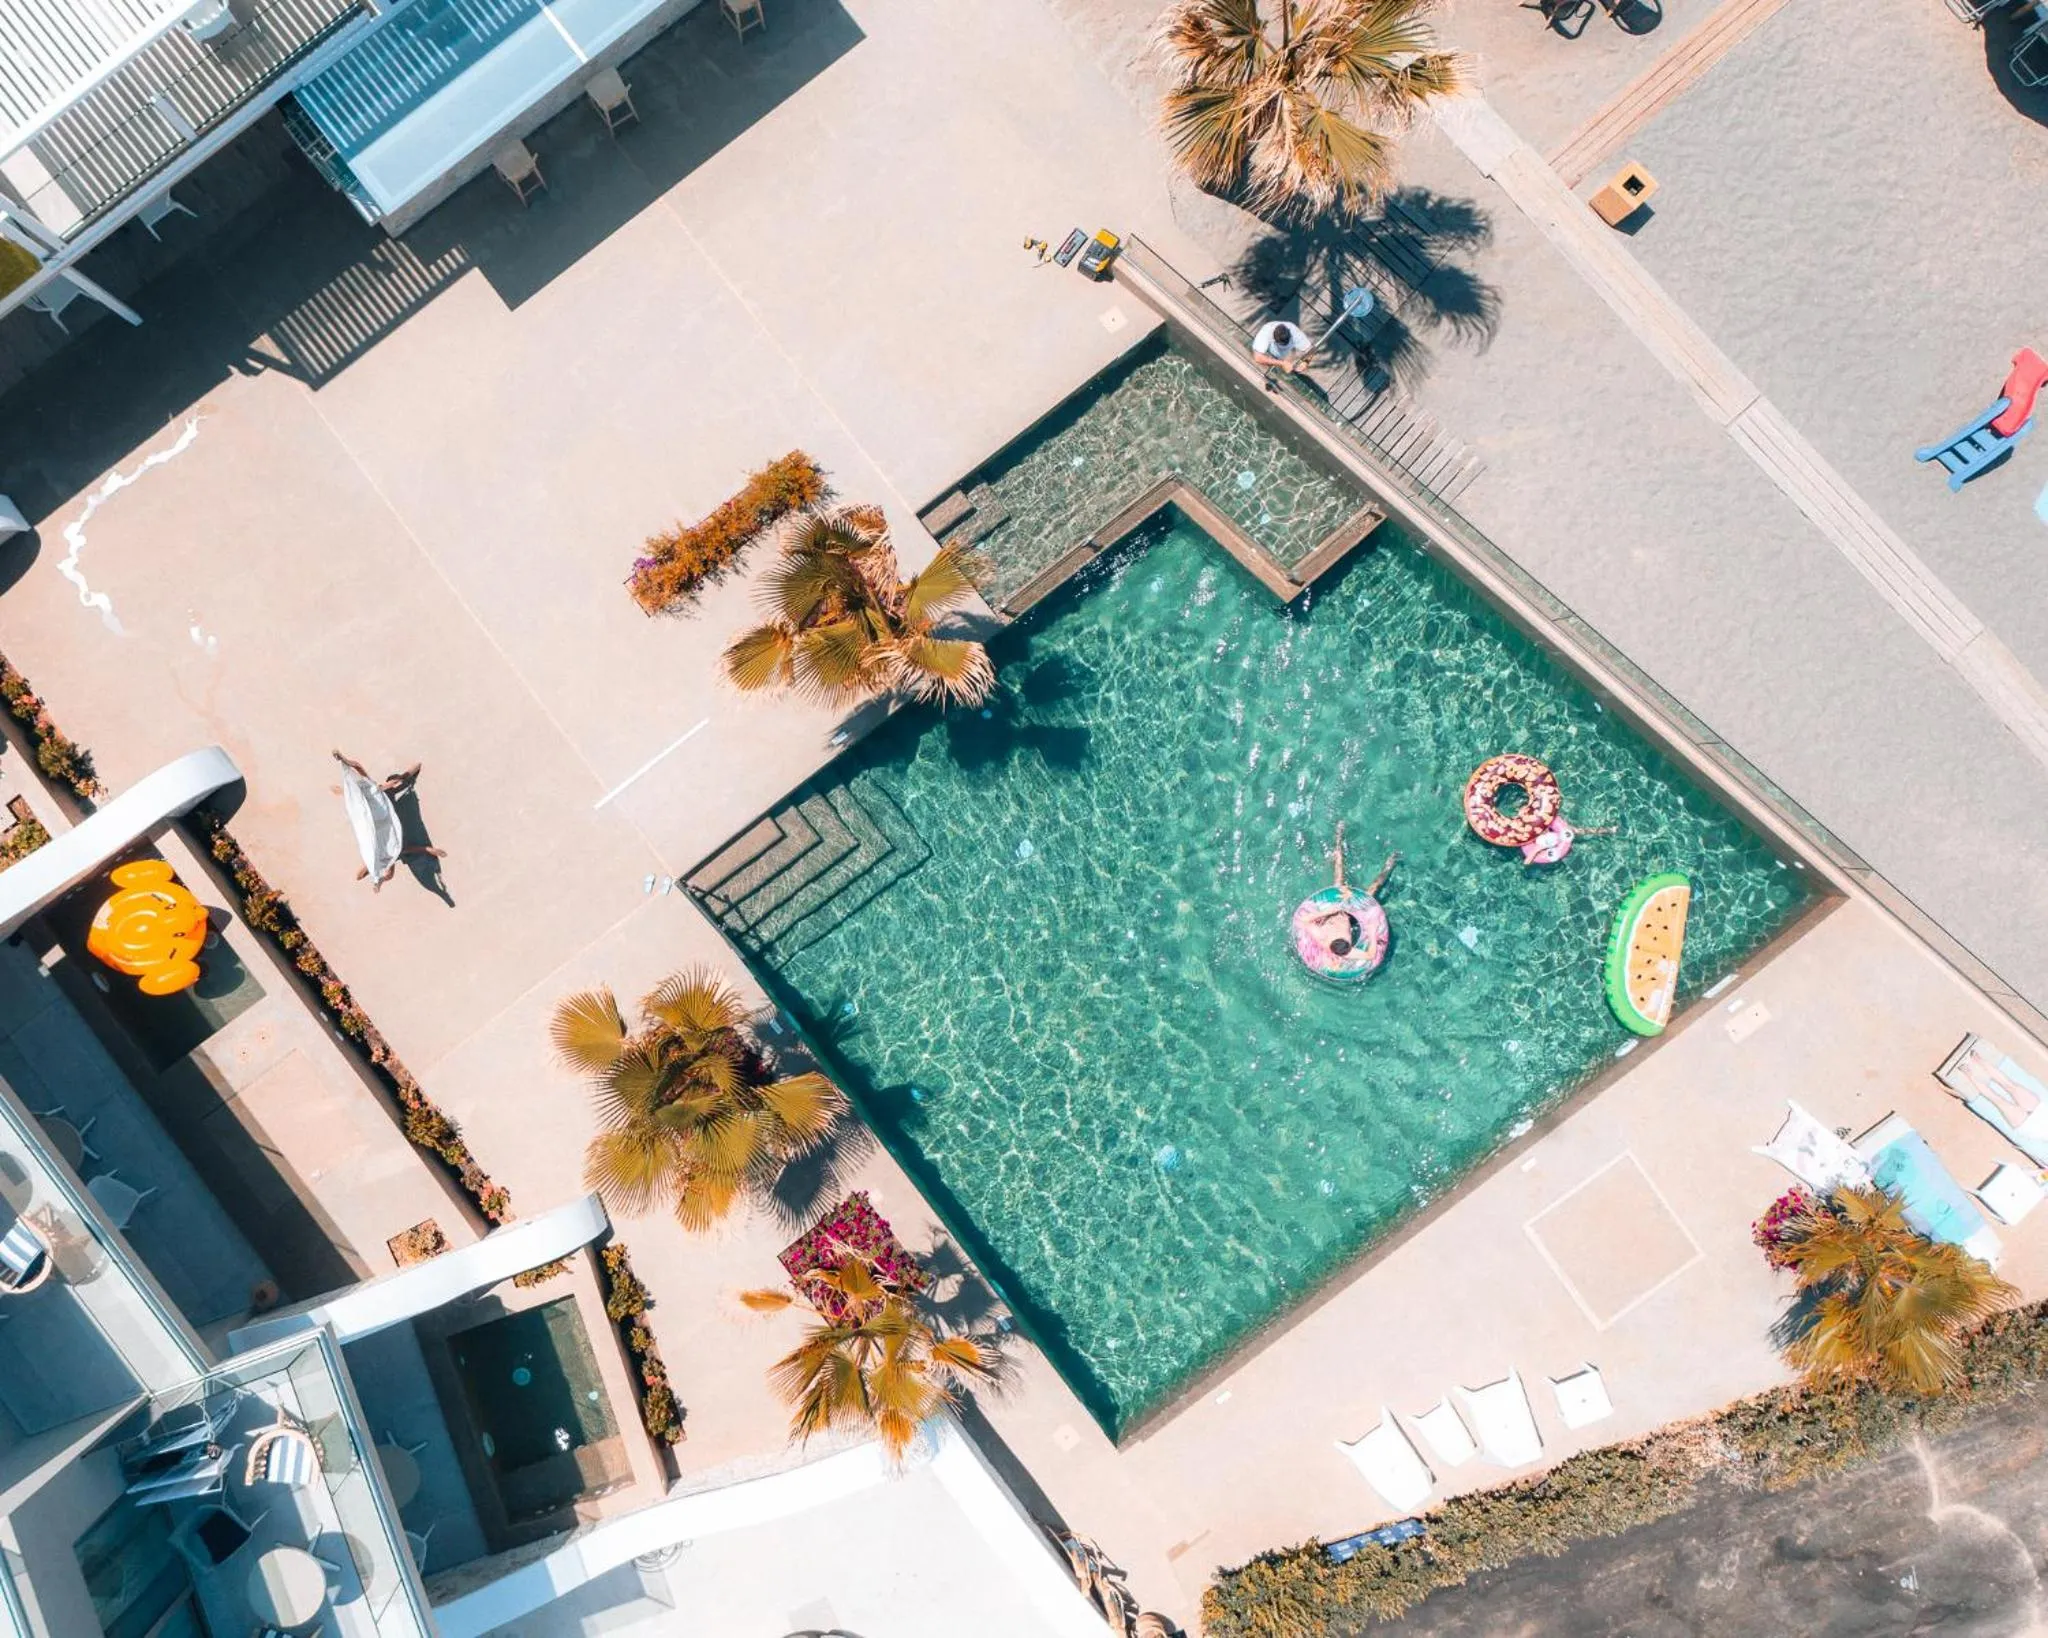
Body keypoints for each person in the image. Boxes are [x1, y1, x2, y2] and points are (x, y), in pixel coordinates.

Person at [1251, 320, 1313, 389]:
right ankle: (1270, 376)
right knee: (1264, 362)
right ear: (1274, 339)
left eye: (1287, 342)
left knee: (1289, 368)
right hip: (1269, 351)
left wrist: (1306, 362)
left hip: (1287, 354)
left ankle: (1286, 376)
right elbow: (1257, 357)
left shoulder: (1293, 331)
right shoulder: (1266, 332)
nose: (1285, 344)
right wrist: (1282, 363)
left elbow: (1310, 350)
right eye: (1282, 343)